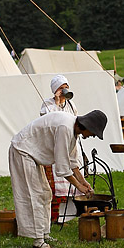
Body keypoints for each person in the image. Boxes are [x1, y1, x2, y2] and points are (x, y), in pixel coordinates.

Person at [9, 110, 107, 248]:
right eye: (93, 133)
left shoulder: (73, 130)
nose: (92, 136)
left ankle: (44, 234)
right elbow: (62, 167)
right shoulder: (65, 128)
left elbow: (72, 162)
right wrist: (79, 186)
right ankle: (38, 240)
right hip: (22, 150)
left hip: (31, 154)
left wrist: (83, 181)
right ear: (88, 126)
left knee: (45, 194)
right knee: (35, 194)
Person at [40, 75, 80, 220]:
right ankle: (54, 216)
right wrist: (56, 101)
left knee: (69, 184)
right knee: (54, 185)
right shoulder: (47, 104)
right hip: (53, 148)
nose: (64, 90)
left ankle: (67, 215)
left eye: (66, 87)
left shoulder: (71, 105)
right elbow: (47, 120)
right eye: (61, 87)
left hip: (68, 146)